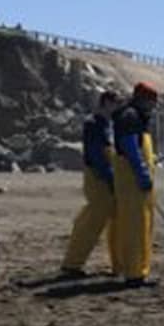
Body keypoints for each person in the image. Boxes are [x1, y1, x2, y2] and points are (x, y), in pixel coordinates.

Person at [60, 91, 121, 277]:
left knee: (99, 219)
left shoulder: (106, 124)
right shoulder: (94, 124)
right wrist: (109, 176)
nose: (118, 107)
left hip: (104, 177)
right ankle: (72, 263)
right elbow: (96, 156)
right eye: (116, 103)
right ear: (106, 103)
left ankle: (118, 262)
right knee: (92, 222)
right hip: (97, 177)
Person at [112, 82, 159, 286]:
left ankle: (139, 269)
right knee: (135, 226)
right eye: (152, 102)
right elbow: (131, 148)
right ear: (143, 99)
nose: (153, 106)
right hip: (132, 181)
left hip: (136, 182)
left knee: (142, 225)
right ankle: (134, 273)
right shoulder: (130, 116)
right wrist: (142, 174)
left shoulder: (135, 116)